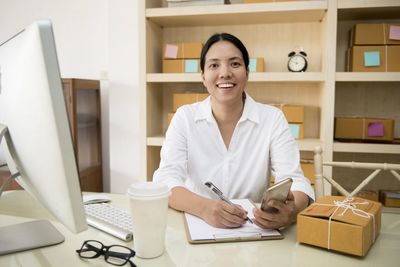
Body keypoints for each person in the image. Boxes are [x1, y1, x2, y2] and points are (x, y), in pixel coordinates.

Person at [153, 33, 314, 230]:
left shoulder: (272, 119)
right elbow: (165, 180)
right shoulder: (184, 118)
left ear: (247, 72)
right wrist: (204, 208)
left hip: (253, 229)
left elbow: (296, 181)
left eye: (235, 64)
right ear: (203, 76)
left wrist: (290, 213)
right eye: (214, 65)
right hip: (197, 225)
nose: (225, 73)